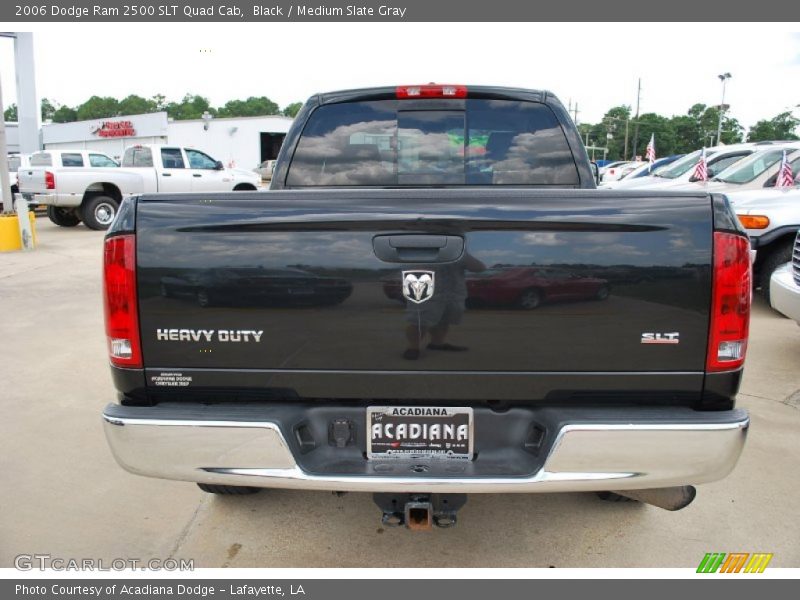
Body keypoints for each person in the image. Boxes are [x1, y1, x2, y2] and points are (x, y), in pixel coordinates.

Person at [403, 253, 486, 360]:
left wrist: (461, 254)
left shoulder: (458, 251)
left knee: (444, 320)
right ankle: (413, 348)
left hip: (452, 293)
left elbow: (479, 268)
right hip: (424, 292)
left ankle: (437, 343)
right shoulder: (422, 249)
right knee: (419, 321)